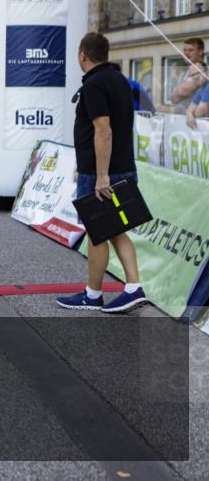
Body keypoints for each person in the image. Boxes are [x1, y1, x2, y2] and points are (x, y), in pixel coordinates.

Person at [58, 32, 146, 313]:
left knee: (97, 232)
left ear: (83, 54)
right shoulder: (119, 80)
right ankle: (133, 287)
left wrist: (100, 175)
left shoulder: (94, 84)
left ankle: (92, 294)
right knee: (116, 230)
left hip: (104, 172)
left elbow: (103, 131)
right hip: (123, 166)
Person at [168, 37, 207, 113]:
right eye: (184, 50)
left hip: (194, 120)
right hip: (183, 119)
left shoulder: (201, 70)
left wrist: (175, 93)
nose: (186, 53)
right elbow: (173, 98)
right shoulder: (188, 71)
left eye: (190, 50)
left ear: (201, 52)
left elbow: (178, 94)